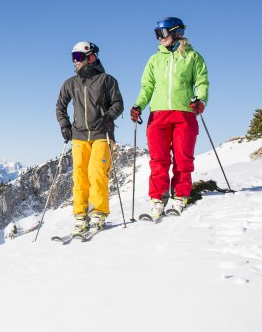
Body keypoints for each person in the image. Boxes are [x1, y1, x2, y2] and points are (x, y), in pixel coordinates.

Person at [130, 17, 209, 220]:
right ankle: (158, 198)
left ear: (177, 33)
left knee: (183, 158)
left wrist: (200, 100)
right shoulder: (154, 59)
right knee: (159, 159)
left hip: (184, 113)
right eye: (157, 34)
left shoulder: (192, 57)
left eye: (162, 33)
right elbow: (147, 87)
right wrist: (139, 105)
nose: (159, 38)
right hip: (158, 115)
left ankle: (180, 195)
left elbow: (201, 82)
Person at [56, 41, 124, 235]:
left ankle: (99, 214)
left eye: (78, 57)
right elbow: (60, 106)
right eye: (73, 58)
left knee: (97, 173)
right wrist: (64, 125)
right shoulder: (71, 83)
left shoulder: (106, 80)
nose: (75, 61)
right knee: (80, 176)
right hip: (78, 136)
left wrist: (108, 117)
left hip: (102, 134)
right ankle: (80, 215)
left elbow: (118, 104)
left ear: (91, 57)